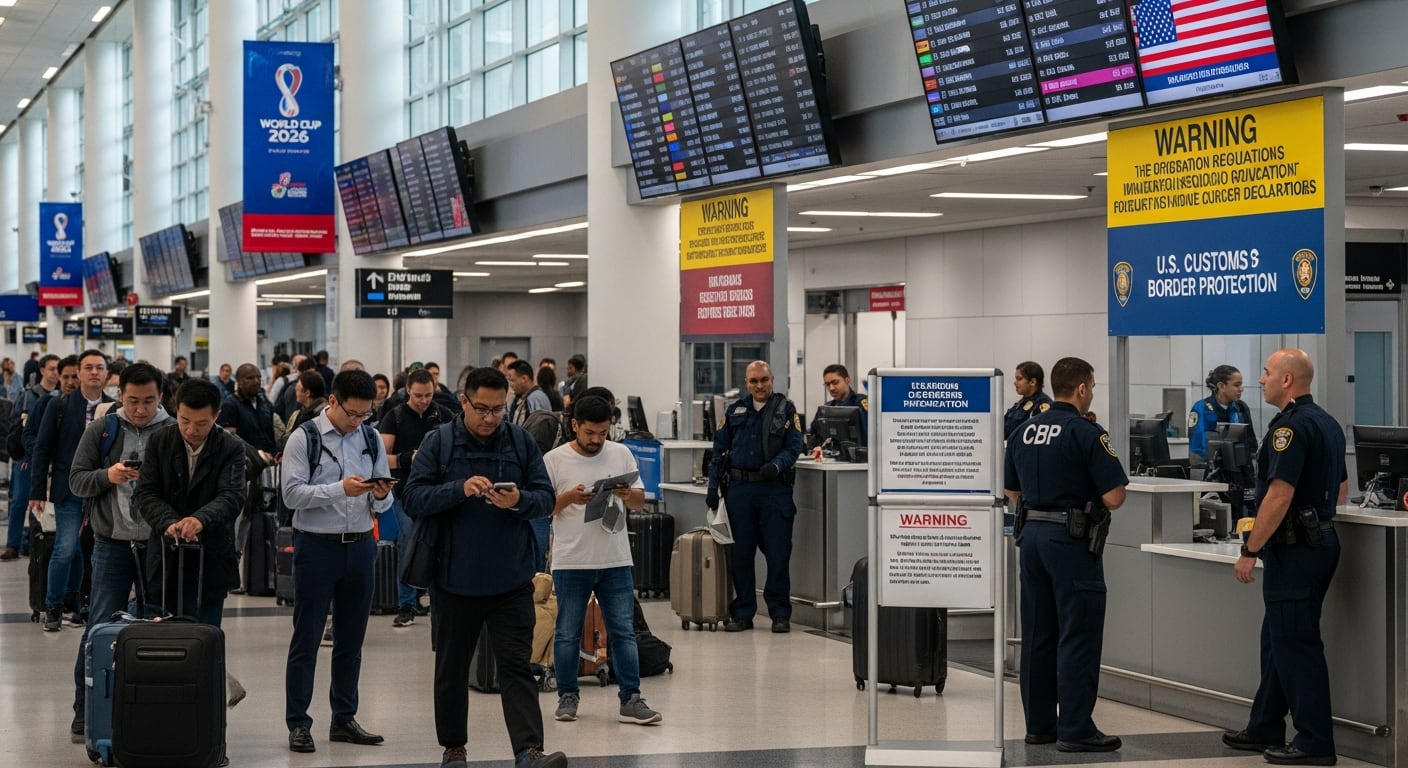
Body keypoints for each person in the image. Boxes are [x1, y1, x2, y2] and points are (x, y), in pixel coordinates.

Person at [401, 367, 567, 768]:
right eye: (481, 409)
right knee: (452, 670)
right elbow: (413, 497)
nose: (490, 417)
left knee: (517, 668)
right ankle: (454, 749)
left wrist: (519, 501)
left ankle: (529, 752)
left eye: (498, 409)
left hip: (511, 580)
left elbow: (546, 498)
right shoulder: (439, 442)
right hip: (453, 580)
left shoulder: (521, 441)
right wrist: (457, 489)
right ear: (464, 402)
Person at [1223, 349, 1346, 767]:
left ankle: (1315, 741)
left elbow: (1278, 495)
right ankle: (1265, 725)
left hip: (1296, 549)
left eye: (1267, 372)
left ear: (1287, 380)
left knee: (1297, 645)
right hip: (1319, 541)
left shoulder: (1289, 428)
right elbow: (1341, 490)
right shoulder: (1327, 423)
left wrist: (1250, 549)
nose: (1261, 379)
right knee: (1277, 639)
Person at [1003, 356, 1127, 753]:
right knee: (1078, 633)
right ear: (1082, 388)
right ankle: (1075, 728)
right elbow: (1115, 496)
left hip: (1031, 538)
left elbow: (1011, 491)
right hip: (1071, 542)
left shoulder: (1023, 431)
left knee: (1038, 634)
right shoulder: (1086, 433)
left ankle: (1039, 726)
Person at [133, 378, 247, 767]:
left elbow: (232, 496)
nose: (191, 430)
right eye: (184, 420)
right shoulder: (161, 441)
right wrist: (169, 522)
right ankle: (162, 733)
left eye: (200, 423)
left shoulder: (231, 447)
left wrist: (200, 519)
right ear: (176, 412)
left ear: (216, 417)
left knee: (207, 648)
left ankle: (210, 739)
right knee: (160, 651)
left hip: (211, 562)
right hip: (164, 562)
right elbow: (145, 492)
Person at [281, 370, 394, 754]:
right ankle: (298, 722)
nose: (357, 421)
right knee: (307, 638)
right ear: (333, 401)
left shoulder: (370, 438)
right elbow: (292, 495)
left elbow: (384, 504)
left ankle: (344, 717)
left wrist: (381, 494)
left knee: (351, 640)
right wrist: (339, 490)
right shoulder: (304, 438)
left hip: (361, 546)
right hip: (316, 547)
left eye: (365, 414)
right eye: (352, 413)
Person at [67, 363, 174, 737]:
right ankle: (86, 708)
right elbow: (76, 480)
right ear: (120, 395)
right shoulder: (103, 429)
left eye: (149, 401)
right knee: (99, 625)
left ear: (160, 397)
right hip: (112, 543)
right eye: (132, 401)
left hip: (160, 547)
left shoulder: (173, 431)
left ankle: (154, 707)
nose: (141, 409)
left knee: (161, 625)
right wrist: (107, 476)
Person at [545, 395, 661, 726]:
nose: (597, 439)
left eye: (603, 433)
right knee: (567, 632)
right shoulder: (554, 460)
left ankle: (631, 698)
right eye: (590, 433)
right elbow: (543, 507)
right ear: (575, 426)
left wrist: (627, 494)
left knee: (623, 631)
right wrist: (570, 497)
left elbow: (639, 501)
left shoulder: (621, 453)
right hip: (572, 561)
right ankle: (568, 695)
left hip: (615, 560)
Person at [706, 360, 804, 633]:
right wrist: (712, 488)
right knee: (741, 555)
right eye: (754, 381)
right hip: (740, 491)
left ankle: (780, 614)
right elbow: (718, 451)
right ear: (746, 384)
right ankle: (743, 613)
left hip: (774, 491)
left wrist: (777, 465)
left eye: (764, 380)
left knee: (778, 554)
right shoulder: (734, 410)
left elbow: (795, 446)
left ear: (772, 380)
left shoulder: (786, 409)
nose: (759, 385)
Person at [30, 350, 114, 632]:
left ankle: (77, 603)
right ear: (79, 373)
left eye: (99, 367)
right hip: (68, 489)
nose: (94, 372)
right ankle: (53, 606)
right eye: (88, 367)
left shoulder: (114, 408)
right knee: (65, 548)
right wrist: (37, 490)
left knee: (86, 550)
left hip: (102, 489)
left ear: (106, 373)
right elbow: (42, 449)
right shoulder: (60, 406)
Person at [378, 368, 454, 627]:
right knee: (408, 542)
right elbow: (381, 459)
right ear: (408, 390)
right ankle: (406, 604)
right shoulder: (395, 416)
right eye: (418, 395)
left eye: (428, 395)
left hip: (437, 493)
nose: (423, 400)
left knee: (441, 545)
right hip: (404, 493)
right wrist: (408, 458)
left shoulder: (444, 415)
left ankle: (434, 599)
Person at [1, 353, 58, 561]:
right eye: (51, 368)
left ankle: (37, 541)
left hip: (53, 457)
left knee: (50, 502)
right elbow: (16, 427)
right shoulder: (28, 396)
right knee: (19, 500)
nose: (55, 373)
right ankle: (13, 544)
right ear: (42, 370)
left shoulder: (61, 397)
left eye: (57, 369)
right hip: (27, 457)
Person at [1189, 364, 1256, 461]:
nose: (1241, 389)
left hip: (1239, 464)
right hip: (1210, 465)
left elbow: (1251, 442)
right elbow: (1197, 448)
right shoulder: (1202, 408)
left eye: (1241, 385)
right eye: (1236, 385)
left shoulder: (1241, 407)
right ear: (1221, 386)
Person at [219, 363, 276, 454]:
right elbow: (228, 441)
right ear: (239, 381)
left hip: (270, 457)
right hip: (246, 459)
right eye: (250, 378)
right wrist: (257, 455)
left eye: (259, 377)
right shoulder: (230, 405)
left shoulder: (263, 402)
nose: (256, 381)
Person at [808, 363, 868, 447]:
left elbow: (869, 437)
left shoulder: (860, 403)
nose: (831, 388)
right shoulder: (827, 408)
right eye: (827, 384)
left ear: (847, 381)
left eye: (835, 382)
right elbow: (814, 434)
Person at [1004, 361, 1054, 440]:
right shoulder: (1018, 405)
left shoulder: (1043, 404)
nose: (1015, 383)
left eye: (1019, 379)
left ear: (1032, 382)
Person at [507, 360, 551, 425]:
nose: (511, 385)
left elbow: (539, 427)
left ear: (524, 378)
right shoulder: (521, 397)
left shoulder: (535, 398)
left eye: (512, 380)